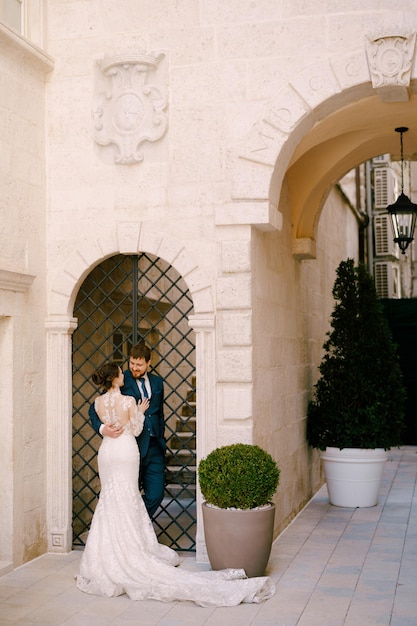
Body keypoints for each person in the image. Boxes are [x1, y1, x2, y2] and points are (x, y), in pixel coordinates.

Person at [76, 362, 275, 606]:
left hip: (107, 452)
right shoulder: (128, 401)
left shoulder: (97, 403)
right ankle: (132, 548)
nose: (124, 374)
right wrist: (138, 411)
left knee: (109, 496)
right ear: (116, 378)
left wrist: (107, 427)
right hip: (126, 450)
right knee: (127, 495)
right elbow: (137, 429)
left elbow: (101, 418)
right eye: (121, 372)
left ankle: (107, 555)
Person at [89, 342, 166, 518]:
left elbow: (159, 413)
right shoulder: (119, 379)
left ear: (149, 362)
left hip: (154, 447)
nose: (134, 367)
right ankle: (126, 528)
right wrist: (102, 428)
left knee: (156, 495)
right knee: (123, 492)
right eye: (132, 363)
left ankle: (132, 525)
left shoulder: (157, 382)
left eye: (139, 364)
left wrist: (161, 435)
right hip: (129, 447)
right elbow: (94, 408)